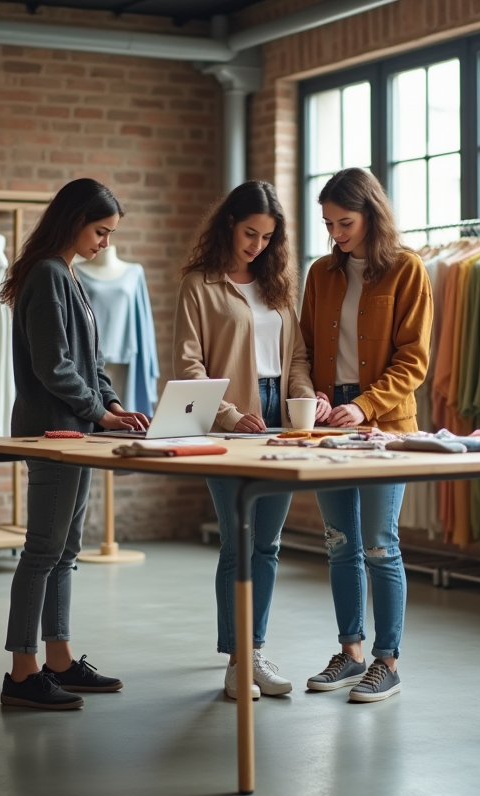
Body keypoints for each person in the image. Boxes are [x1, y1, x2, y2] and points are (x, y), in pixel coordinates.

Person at [0, 178, 149, 710]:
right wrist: (98, 412)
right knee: (42, 550)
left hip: (77, 430)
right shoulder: (47, 275)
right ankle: (22, 671)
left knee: (64, 551)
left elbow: (91, 364)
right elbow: (52, 365)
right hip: (54, 430)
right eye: (101, 231)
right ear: (74, 221)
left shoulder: (69, 275)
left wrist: (113, 408)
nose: (105, 243)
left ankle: (57, 660)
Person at [173, 181, 323, 699]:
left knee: (269, 543)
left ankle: (254, 649)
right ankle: (238, 661)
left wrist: (306, 401)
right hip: (227, 424)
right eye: (249, 233)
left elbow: (297, 358)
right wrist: (232, 414)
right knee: (240, 543)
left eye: (267, 237)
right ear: (229, 224)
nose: (257, 245)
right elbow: (190, 365)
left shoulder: (279, 284)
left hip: (281, 422)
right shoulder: (199, 284)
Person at [299, 167, 433, 703]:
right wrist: (316, 397)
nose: (335, 233)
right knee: (339, 544)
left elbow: (414, 360)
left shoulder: (407, 269)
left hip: (384, 423)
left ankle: (388, 660)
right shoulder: (320, 273)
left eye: (345, 222)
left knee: (380, 544)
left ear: (372, 214)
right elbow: (304, 349)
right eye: (328, 223)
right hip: (332, 422)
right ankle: (350, 653)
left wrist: (363, 404)